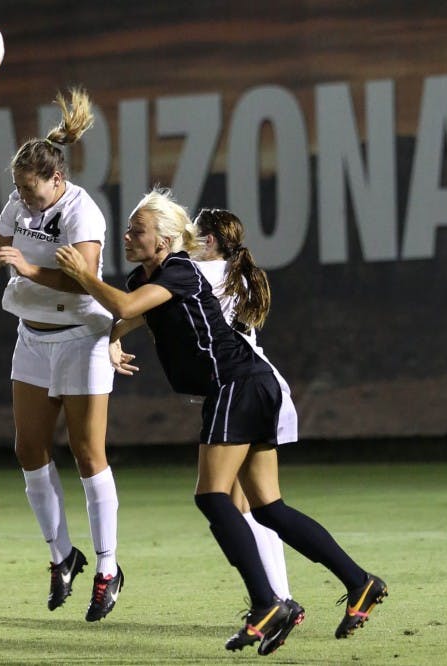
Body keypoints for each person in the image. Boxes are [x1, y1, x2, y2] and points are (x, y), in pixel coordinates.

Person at [56, 189, 388, 655]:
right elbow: (128, 314)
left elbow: (128, 307)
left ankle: (267, 603)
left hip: (238, 385)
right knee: (268, 508)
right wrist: (113, 337)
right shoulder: (147, 276)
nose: (128, 236)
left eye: (137, 230)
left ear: (167, 239)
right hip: (248, 385)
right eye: (129, 228)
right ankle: (360, 582)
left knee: (213, 496)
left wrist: (81, 275)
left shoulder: (180, 270)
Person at [0, 87, 124, 622]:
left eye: (32, 192)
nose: (24, 199)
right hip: (32, 337)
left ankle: (107, 567)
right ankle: (63, 556)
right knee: (29, 449)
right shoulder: (18, 201)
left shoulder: (83, 211)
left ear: (57, 180)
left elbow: (83, 282)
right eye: (19, 190)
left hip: (81, 336)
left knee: (86, 452)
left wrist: (29, 269)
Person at [190, 208, 291, 604]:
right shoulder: (238, 274)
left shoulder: (205, 275)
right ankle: (274, 598)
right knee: (244, 503)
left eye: (194, 235)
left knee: (240, 502)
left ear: (210, 240)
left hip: (240, 388)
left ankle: (277, 599)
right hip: (255, 385)